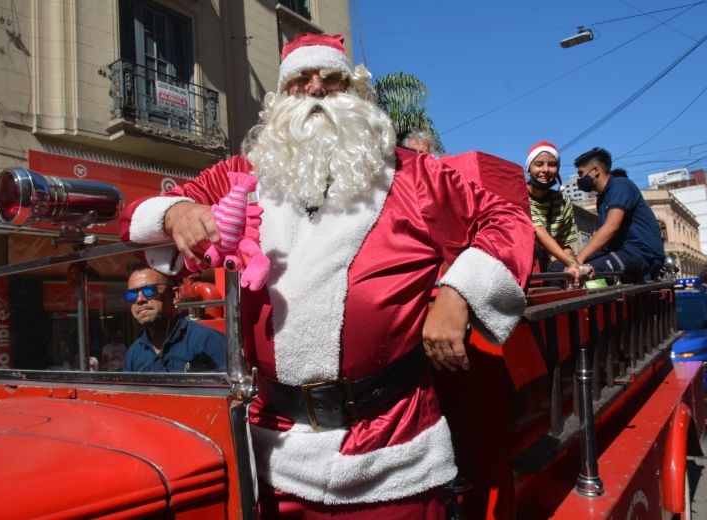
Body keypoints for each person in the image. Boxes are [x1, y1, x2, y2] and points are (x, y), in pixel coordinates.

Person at [120, 33, 534, 518]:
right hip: (275, 452)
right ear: (281, 98)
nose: (314, 89)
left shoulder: (413, 174)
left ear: (354, 92)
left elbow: (506, 220)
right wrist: (178, 212)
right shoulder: (243, 174)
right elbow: (136, 217)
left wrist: (457, 293)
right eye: (299, 81)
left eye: (330, 78)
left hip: (392, 453)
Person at [564, 147, 665, 283]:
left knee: (581, 271)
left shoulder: (621, 185)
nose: (580, 179)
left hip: (640, 254)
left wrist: (579, 259)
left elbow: (611, 226)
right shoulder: (601, 199)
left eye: (581, 174)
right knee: (558, 268)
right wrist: (574, 260)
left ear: (595, 171)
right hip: (620, 252)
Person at [123, 263, 226, 372]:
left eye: (149, 290)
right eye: (131, 295)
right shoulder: (133, 354)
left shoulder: (207, 340)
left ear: (174, 295)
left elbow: (233, 386)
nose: (139, 299)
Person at [525, 141, 580, 282]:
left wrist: (572, 266)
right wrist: (570, 262)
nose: (545, 170)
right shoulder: (519, 195)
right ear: (528, 169)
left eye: (552, 164)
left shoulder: (563, 201)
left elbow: (565, 245)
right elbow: (538, 230)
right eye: (538, 164)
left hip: (552, 267)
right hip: (525, 268)